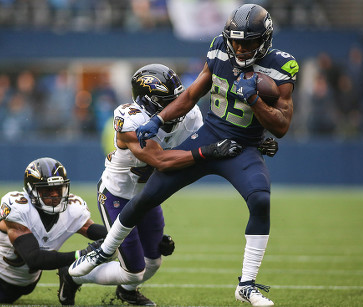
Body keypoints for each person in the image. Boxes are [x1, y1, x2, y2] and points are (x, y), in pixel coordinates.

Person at [69, 4, 296, 307]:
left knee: (260, 200)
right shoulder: (219, 48)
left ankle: (247, 284)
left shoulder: (283, 65)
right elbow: (191, 95)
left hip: (243, 145)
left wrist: (254, 100)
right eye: (235, 41)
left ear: (264, 39)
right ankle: (105, 250)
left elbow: (281, 126)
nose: (239, 49)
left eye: (247, 42)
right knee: (151, 194)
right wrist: (158, 120)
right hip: (212, 133)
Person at [61, 63, 244, 306]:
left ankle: (126, 292)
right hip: (118, 195)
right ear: (148, 101)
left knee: (154, 262)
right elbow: (160, 160)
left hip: (147, 196)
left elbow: (215, 139)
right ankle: (71, 276)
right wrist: (207, 152)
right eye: (169, 100)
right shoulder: (130, 118)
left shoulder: (189, 115)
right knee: (133, 270)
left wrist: (254, 142)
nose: (178, 104)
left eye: (178, 97)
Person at [0, 157, 107, 304]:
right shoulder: (19, 208)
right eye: (48, 190)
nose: (55, 195)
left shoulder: (73, 209)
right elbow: (34, 259)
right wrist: (81, 255)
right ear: (32, 190)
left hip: (20, 281)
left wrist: (123, 233)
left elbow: (90, 228)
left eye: (58, 188)